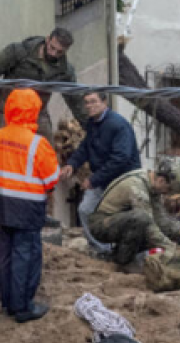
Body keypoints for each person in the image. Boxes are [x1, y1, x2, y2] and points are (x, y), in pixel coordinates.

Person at [0, 88, 60, 323]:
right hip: (29, 206)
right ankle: (22, 307)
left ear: (10, 108)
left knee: (7, 253)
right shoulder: (37, 143)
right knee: (27, 255)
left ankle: (8, 302)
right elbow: (52, 178)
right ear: (34, 111)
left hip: (3, 203)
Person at [60, 92, 141, 252]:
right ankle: (101, 250)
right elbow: (85, 147)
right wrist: (72, 164)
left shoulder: (117, 125)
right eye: (87, 103)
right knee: (86, 210)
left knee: (123, 217)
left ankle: (132, 253)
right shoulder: (93, 123)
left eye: (93, 102)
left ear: (104, 102)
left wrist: (94, 180)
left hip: (122, 181)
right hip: (103, 179)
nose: (89, 106)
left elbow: (120, 158)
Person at [0, 28, 87, 137]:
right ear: (47, 39)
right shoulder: (19, 51)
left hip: (38, 114)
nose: (53, 54)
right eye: (52, 48)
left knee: (47, 150)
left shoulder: (65, 70)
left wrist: (90, 126)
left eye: (59, 52)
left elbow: (75, 99)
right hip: (8, 111)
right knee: (5, 148)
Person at [87, 160, 180, 265]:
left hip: (118, 221)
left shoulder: (153, 186)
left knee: (155, 227)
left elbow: (159, 218)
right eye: (168, 189)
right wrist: (169, 246)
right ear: (161, 180)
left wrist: (178, 230)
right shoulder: (137, 185)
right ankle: (121, 262)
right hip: (101, 224)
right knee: (142, 220)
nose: (167, 193)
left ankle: (116, 256)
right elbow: (148, 224)